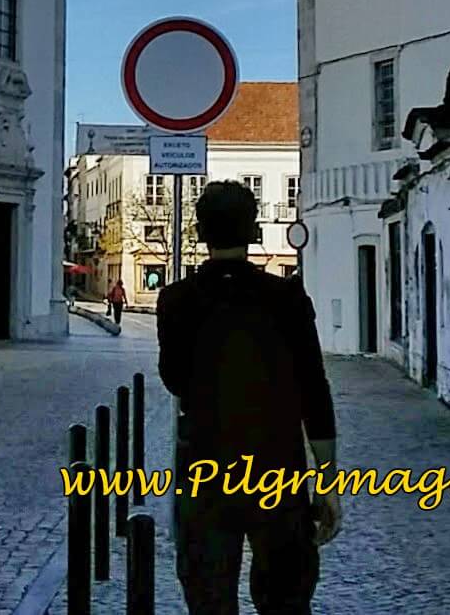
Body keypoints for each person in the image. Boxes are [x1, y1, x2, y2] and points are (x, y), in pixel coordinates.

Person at [157, 180, 341, 615]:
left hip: (205, 470)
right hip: (278, 469)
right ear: (254, 230)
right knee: (285, 602)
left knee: (209, 600)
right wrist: (328, 482)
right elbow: (315, 393)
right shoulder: (286, 298)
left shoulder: (177, 300)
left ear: (200, 232)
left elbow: (174, 379)